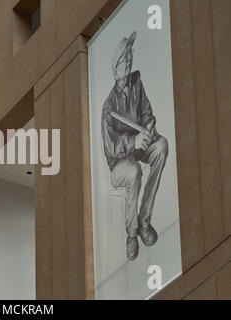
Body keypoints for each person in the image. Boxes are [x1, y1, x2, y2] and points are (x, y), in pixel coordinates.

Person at [101, 31, 168, 261]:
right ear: (115, 68)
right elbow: (110, 147)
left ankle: (144, 221)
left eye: (130, 56)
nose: (129, 61)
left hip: (140, 146)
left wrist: (149, 129)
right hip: (119, 163)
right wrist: (132, 141)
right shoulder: (108, 106)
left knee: (161, 146)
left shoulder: (137, 83)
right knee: (134, 171)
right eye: (124, 59)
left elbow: (148, 112)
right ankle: (131, 235)